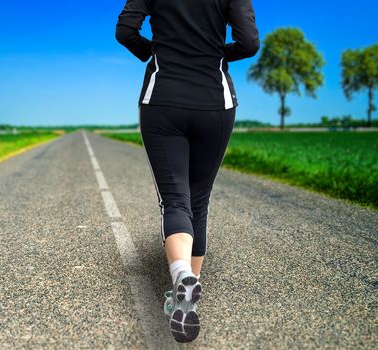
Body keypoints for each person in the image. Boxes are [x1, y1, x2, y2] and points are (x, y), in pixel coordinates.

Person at [115, 0, 259, 343]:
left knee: (175, 198)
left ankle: (180, 276)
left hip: (162, 100)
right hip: (214, 101)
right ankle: (188, 299)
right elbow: (250, 43)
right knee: (199, 200)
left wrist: (155, 51)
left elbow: (124, 31)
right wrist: (218, 54)